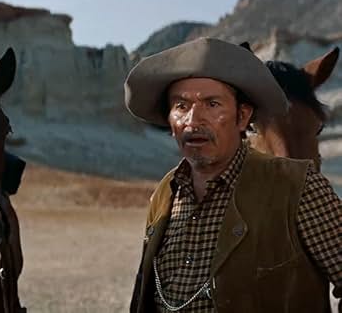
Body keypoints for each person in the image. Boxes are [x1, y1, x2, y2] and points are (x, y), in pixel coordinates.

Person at [124, 37, 341, 312]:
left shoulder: (302, 188)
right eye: (181, 106)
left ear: (242, 117)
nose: (194, 120)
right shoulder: (165, 195)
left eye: (212, 104)